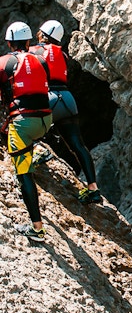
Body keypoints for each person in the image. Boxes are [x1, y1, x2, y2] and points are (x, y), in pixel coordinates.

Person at [29, 20, 101, 204]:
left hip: (49, 96)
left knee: (27, 125)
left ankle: (38, 150)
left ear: (42, 35)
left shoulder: (35, 51)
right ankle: (93, 189)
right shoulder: (64, 55)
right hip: (68, 99)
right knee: (78, 145)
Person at [0, 21, 53, 241]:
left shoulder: (4, 62)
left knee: (24, 175)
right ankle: (38, 151)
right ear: (29, 41)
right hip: (46, 121)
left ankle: (37, 229)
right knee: (26, 143)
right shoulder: (42, 60)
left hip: (22, 124)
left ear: (10, 43)